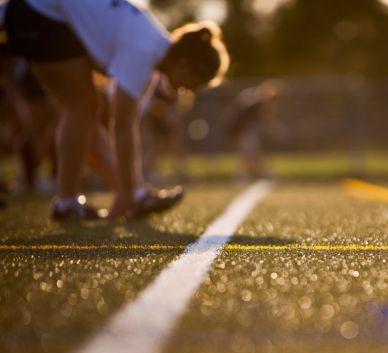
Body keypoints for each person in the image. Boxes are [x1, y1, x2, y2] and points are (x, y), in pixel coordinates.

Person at [3, 0, 229, 220]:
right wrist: (129, 192)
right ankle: (68, 203)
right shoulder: (143, 53)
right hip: (38, 12)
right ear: (185, 65)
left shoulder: (151, 48)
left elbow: (126, 127)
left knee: (85, 111)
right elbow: (122, 126)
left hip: (37, 11)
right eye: (195, 82)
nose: (188, 90)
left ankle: (116, 196)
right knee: (80, 106)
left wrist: (129, 190)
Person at [223, 80, 286, 182]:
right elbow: (267, 119)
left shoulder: (252, 95)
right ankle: (262, 175)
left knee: (247, 154)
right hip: (241, 130)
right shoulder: (260, 101)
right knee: (251, 153)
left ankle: (243, 177)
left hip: (240, 129)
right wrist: (275, 131)